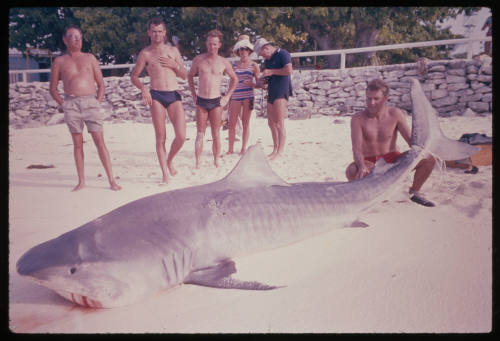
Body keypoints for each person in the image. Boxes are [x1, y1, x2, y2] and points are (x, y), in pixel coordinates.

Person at [49, 26, 121, 192]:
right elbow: (52, 88)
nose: (77, 40)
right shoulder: (59, 61)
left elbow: (101, 84)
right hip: (71, 104)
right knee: (77, 144)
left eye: (79, 37)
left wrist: (97, 101)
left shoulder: (90, 58)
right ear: (65, 40)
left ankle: (111, 180)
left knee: (99, 141)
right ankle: (81, 181)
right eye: (73, 37)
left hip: (91, 103)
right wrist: (63, 105)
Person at [345, 78, 436, 207]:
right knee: (351, 170)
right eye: (368, 98)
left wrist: (422, 151)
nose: (371, 103)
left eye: (376, 99)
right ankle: (368, 194)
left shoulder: (395, 114)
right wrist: (361, 166)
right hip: (371, 163)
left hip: (394, 159)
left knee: (428, 158)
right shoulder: (358, 118)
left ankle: (415, 192)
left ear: (385, 98)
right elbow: (357, 148)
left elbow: (412, 142)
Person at [131, 17, 187, 184]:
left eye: (160, 31)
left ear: (165, 33)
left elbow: (184, 75)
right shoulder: (145, 53)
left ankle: (169, 160)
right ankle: (164, 173)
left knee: (181, 136)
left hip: (173, 94)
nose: (157, 35)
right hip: (156, 95)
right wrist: (143, 88)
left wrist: (173, 65)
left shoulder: (173, 51)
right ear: (149, 33)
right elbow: (134, 76)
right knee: (161, 137)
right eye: (154, 31)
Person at [188, 29, 238, 168]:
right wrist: (193, 95)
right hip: (201, 100)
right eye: (210, 44)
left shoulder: (223, 62)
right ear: (206, 44)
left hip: (216, 101)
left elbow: (235, 79)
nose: (212, 47)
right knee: (200, 133)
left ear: (219, 45)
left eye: (215, 44)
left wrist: (227, 97)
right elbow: (190, 75)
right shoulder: (199, 60)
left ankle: (216, 160)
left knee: (216, 133)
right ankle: (197, 162)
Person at [253, 37, 293, 160]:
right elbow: (268, 77)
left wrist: (271, 72)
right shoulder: (268, 60)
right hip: (271, 91)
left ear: (267, 48)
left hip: (281, 91)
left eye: (262, 54)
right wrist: (261, 81)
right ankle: (275, 149)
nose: (263, 57)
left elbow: (288, 70)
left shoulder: (283, 53)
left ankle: (280, 151)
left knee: (279, 123)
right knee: (271, 123)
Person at [227, 37, 260, 155]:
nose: (243, 51)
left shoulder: (254, 65)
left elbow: (260, 83)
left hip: (248, 96)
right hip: (235, 95)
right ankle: (230, 149)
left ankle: (243, 148)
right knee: (232, 123)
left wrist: (252, 84)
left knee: (246, 123)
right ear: (238, 51)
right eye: (241, 49)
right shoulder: (234, 65)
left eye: (246, 49)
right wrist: (228, 96)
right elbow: (231, 82)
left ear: (249, 51)